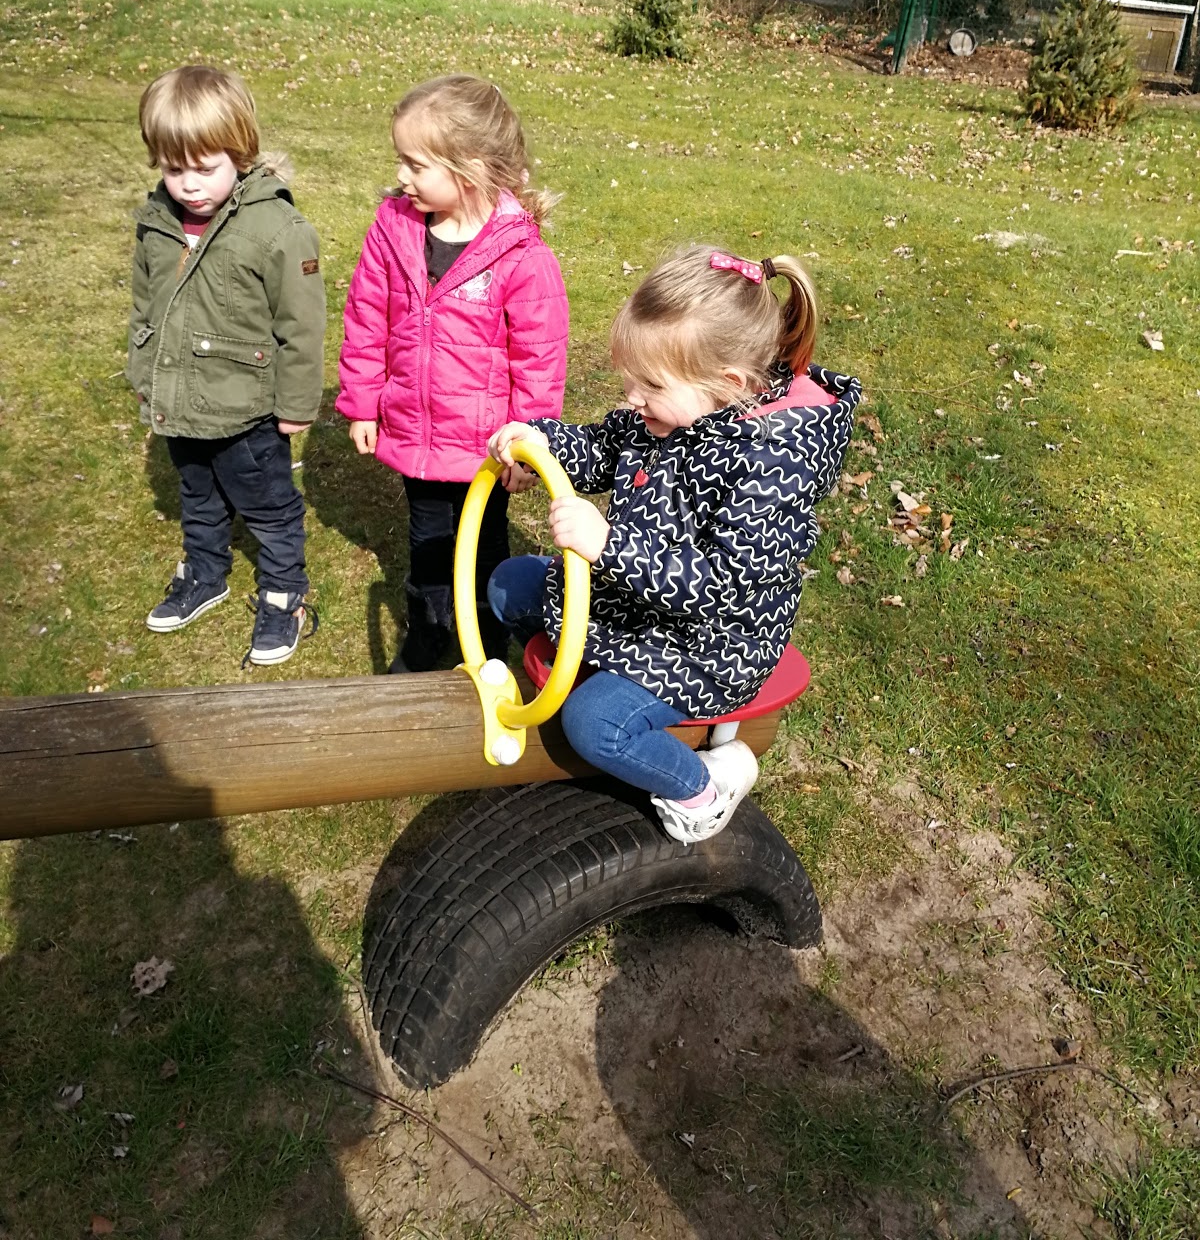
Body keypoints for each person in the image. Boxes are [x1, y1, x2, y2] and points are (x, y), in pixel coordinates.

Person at [487, 245, 861, 845]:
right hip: (638, 600)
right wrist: (542, 445)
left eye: (650, 385)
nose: (632, 398)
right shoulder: (674, 412)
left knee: (596, 722)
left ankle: (702, 789)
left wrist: (610, 547)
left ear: (728, 383)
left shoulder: (771, 465)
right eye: (630, 380)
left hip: (711, 645)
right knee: (509, 584)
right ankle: (568, 677)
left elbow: (721, 588)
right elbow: (604, 448)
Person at [336, 74, 568, 673]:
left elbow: (539, 359)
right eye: (401, 161)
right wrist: (362, 401)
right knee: (426, 540)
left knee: (485, 546)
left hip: (485, 446)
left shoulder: (521, 255)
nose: (402, 176)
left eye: (416, 165)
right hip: (415, 431)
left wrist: (528, 442)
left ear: (469, 169)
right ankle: (429, 627)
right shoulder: (394, 230)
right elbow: (366, 317)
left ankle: (485, 642)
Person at [128, 65, 326, 666]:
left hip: (248, 411)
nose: (188, 185)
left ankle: (284, 592)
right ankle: (205, 573)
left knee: (268, 505)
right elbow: (146, 304)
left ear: (239, 153)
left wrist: (296, 406)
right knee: (198, 494)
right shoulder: (157, 221)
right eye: (173, 169)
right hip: (181, 400)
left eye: (204, 168)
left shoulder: (277, 229)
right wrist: (145, 374)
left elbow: (302, 324)